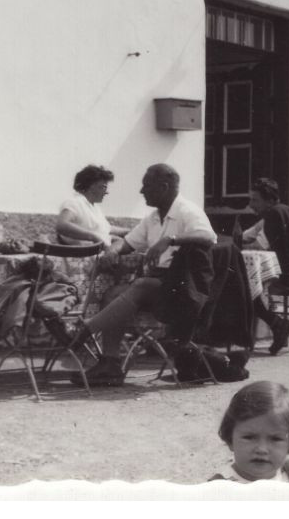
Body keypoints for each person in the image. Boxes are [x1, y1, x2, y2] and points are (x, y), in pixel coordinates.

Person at [74, 163, 218, 385]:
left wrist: (171, 240)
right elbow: (129, 242)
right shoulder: (152, 218)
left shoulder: (188, 211)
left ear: (164, 186)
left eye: (146, 186)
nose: (142, 192)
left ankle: (83, 332)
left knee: (141, 284)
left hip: (184, 288)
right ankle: (110, 364)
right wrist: (113, 249)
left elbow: (209, 239)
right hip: (160, 286)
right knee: (113, 293)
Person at [239, 178, 289, 355]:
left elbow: (258, 245)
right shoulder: (277, 212)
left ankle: (277, 325)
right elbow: (248, 235)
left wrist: (238, 243)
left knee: (246, 289)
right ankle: (279, 325)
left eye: (255, 200)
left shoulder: (275, 214)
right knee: (248, 286)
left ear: (269, 200)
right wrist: (241, 239)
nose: (251, 205)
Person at [211, 381, 289, 482]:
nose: (261, 449)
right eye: (249, 437)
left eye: (275, 439)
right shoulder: (217, 490)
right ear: (230, 439)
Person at [57, 164, 116, 246]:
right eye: (104, 187)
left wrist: (131, 232)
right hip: (85, 254)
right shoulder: (75, 202)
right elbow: (61, 225)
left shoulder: (93, 207)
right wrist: (93, 236)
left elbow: (107, 229)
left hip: (98, 251)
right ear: (91, 186)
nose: (106, 192)